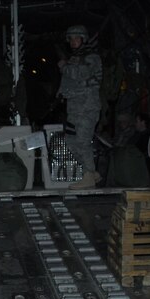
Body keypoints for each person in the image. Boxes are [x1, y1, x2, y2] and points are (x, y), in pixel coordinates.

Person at [57, 24, 102, 189]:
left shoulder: (92, 57)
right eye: (71, 38)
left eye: (77, 38)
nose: (73, 41)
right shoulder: (74, 58)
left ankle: (88, 175)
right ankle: (91, 172)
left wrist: (64, 67)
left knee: (83, 141)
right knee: (70, 141)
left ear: (83, 39)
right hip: (74, 109)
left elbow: (81, 74)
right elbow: (70, 82)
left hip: (87, 107)